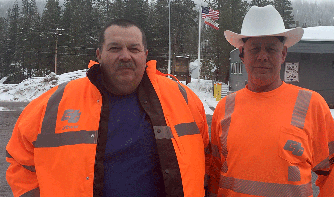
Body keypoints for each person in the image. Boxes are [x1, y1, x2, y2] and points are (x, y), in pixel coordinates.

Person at [6, 19, 210, 197]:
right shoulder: (54, 103)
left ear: (145, 54)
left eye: (134, 48)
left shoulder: (182, 98)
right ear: (99, 54)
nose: (125, 56)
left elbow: (206, 159)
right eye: (114, 48)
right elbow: (19, 161)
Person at [206, 6, 334, 196]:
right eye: (254, 49)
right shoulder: (224, 108)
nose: (262, 56)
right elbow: (213, 173)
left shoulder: (312, 104)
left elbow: (333, 174)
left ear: (283, 54)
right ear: (242, 54)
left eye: (271, 49)